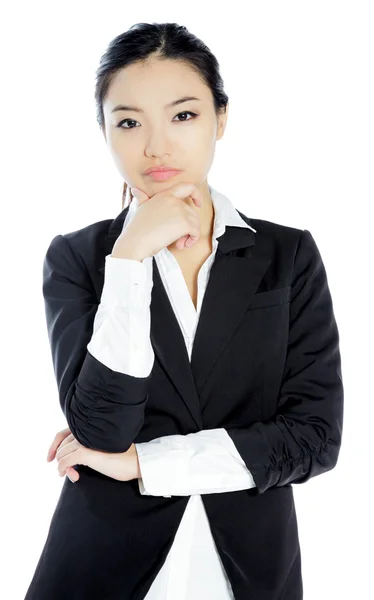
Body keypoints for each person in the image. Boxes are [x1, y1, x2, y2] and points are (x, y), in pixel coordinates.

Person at [24, 21, 344, 600]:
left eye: (183, 115)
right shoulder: (78, 257)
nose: (155, 146)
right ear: (105, 133)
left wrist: (145, 463)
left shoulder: (287, 254)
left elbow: (315, 439)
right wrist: (128, 260)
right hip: (100, 564)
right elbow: (101, 427)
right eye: (128, 122)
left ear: (222, 119)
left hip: (251, 569)